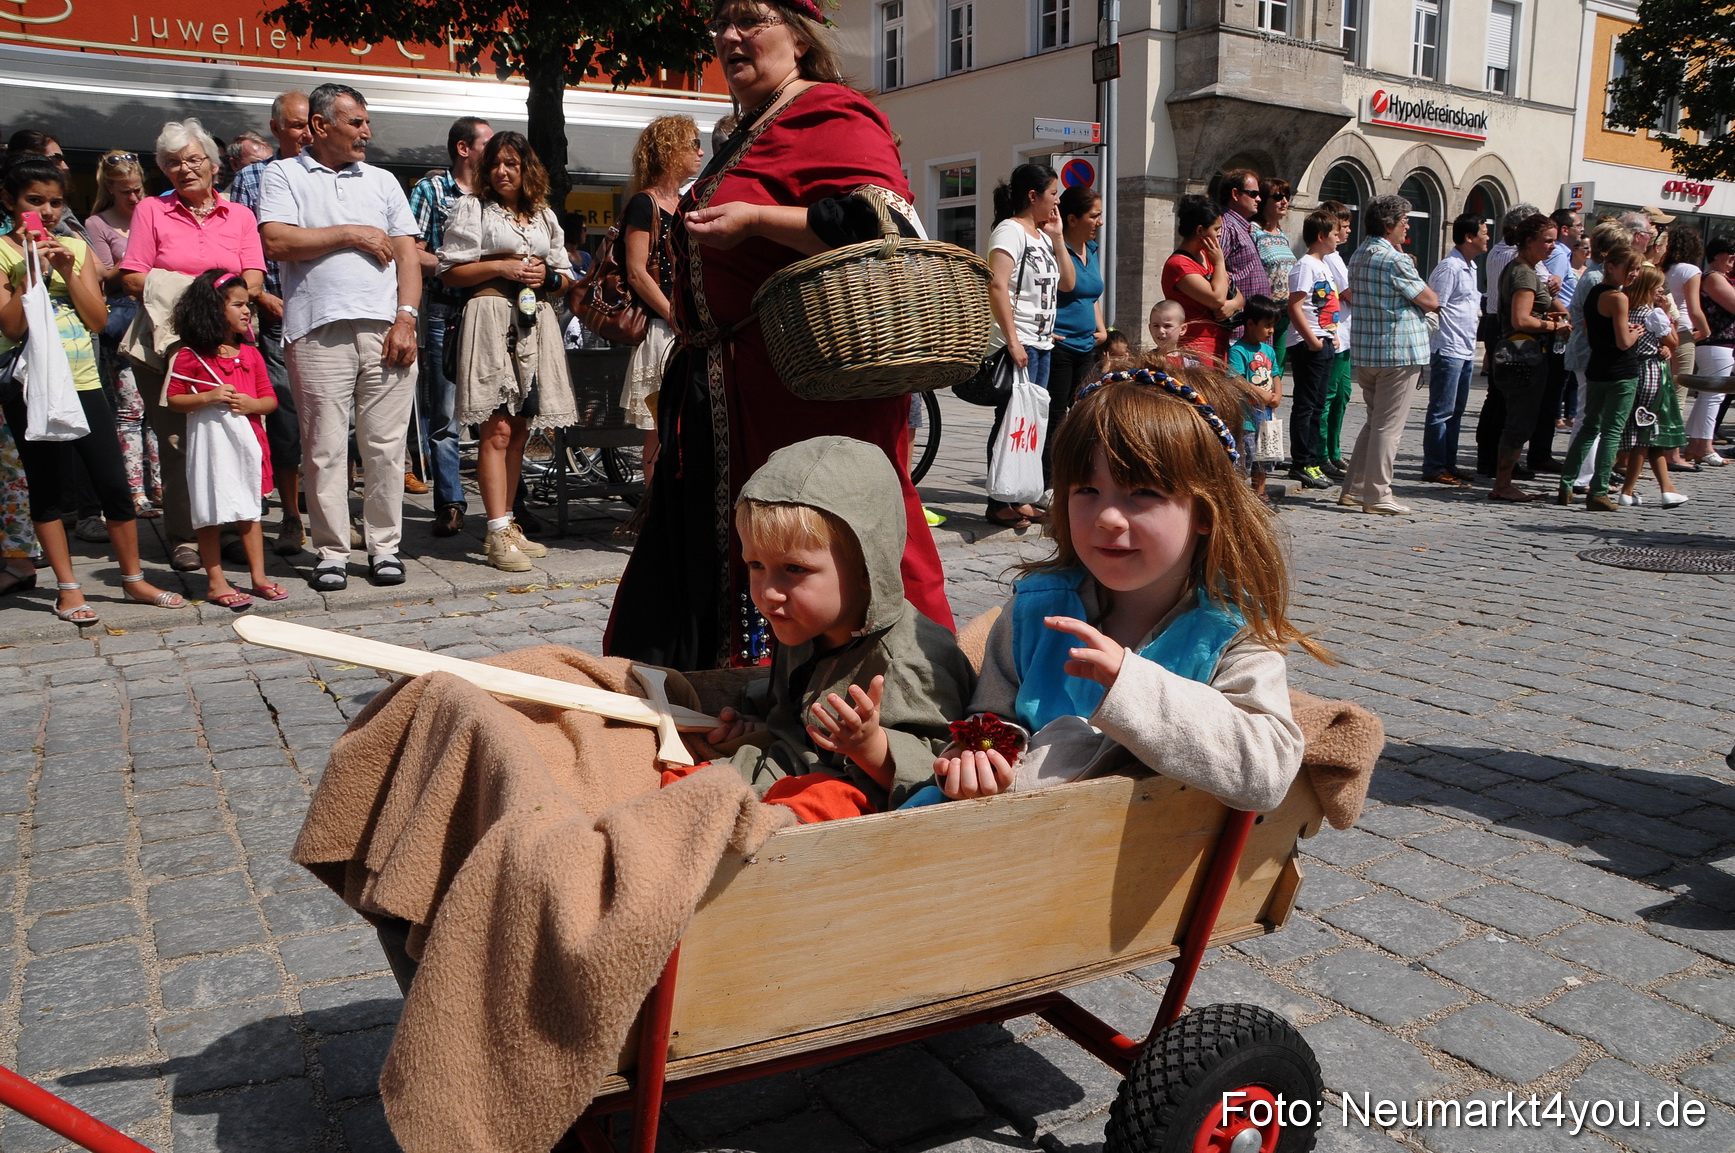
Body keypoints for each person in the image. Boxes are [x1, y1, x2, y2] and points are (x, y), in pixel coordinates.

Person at [605, 0, 957, 671]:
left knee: (838, 538)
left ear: (798, 37)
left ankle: (908, 690)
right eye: (721, 23)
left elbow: (888, 225)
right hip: (733, 386)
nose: (729, 36)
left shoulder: (830, 110)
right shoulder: (748, 128)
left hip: (807, 390)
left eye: (750, 20)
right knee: (750, 558)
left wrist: (761, 220)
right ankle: (743, 690)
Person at [931, 367, 1314, 808]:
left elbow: (1268, 770)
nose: (1107, 517)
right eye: (1087, 489)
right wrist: (976, 757)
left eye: (1143, 493)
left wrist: (1130, 685)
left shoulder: (1231, 634)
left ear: (1206, 512)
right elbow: (993, 716)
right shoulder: (1034, 612)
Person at [692, 436, 975, 823]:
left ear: (865, 570)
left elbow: (939, 769)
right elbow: (793, 703)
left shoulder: (909, 662)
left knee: (788, 809)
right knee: (685, 783)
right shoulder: (806, 620)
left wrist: (870, 745)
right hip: (787, 764)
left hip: (854, 803)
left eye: (795, 569)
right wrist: (757, 723)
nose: (769, 592)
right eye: (756, 565)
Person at [0, 158, 184, 624]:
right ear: (9, 202)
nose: (46, 212)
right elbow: (10, 325)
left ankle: (133, 578)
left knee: (113, 484)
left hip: (82, 379)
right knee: (46, 487)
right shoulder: (2, 252)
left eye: (56, 202)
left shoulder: (76, 247)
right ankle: (67, 587)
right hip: (29, 386)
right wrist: (29, 273)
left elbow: (97, 320)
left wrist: (64, 267)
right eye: (34, 201)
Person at [257, 82, 422, 592]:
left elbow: (408, 255)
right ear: (321, 125)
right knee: (324, 448)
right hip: (316, 331)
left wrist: (407, 318)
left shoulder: (383, 181)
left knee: (385, 448)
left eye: (367, 122)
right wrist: (351, 232)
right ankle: (330, 551)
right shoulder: (282, 173)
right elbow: (277, 240)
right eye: (356, 123)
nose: (366, 133)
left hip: (387, 330)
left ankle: (384, 548)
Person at [118, 118, 267, 572]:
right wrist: (198, 295)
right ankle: (185, 536)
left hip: (224, 350)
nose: (185, 169)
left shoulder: (239, 216)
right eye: (173, 163)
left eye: (194, 159)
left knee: (231, 438)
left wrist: (225, 300)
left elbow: (255, 278)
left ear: (213, 164)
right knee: (180, 442)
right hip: (167, 348)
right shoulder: (150, 212)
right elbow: (132, 275)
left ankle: (227, 530)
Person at [437, 131, 578, 573]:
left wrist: (547, 279)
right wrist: (500, 266)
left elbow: (567, 277)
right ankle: (496, 531)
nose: (502, 171)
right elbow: (449, 272)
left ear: (526, 169)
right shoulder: (473, 209)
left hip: (534, 324)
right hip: (491, 315)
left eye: (512, 164)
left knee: (519, 428)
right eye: (496, 163)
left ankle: (509, 522)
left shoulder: (544, 216)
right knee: (495, 430)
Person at [164, 270, 286, 606]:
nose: (247, 311)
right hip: (210, 448)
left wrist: (251, 404)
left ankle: (258, 576)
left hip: (246, 443)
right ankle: (216, 582)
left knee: (250, 510)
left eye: (248, 305)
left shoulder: (250, 353)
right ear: (214, 308)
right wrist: (207, 397)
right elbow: (174, 399)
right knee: (210, 510)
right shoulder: (191, 356)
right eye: (238, 304)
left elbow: (270, 399)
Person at [230, 91, 314, 556]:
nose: (305, 133)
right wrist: (261, 296)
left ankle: (331, 510)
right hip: (276, 313)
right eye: (297, 125)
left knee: (333, 420)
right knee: (284, 415)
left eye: (310, 124)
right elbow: (247, 247)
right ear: (276, 127)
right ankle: (291, 517)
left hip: (324, 311)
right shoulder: (252, 178)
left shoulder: (331, 173)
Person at [408, 115, 493, 536]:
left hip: (492, 312)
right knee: (444, 415)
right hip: (446, 311)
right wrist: (453, 267)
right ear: (463, 148)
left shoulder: (498, 190)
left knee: (501, 412)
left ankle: (508, 506)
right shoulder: (430, 189)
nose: (496, 154)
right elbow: (411, 251)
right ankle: (451, 503)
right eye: (487, 144)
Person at [983, 161, 1075, 528]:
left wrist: (1057, 237)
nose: (1057, 201)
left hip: (1041, 344)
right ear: (1033, 195)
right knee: (1008, 420)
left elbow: (1067, 283)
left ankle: (1018, 496)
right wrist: (1014, 339)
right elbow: (997, 285)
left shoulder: (1041, 235)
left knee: (1030, 423)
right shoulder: (1010, 231)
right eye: (1053, 193)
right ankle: (998, 501)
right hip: (1015, 345)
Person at [1342, 194, 1439, 516]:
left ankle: (1355, 489)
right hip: (1398, 352)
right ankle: (1378, 494)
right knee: (1388, 427)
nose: (1407, 226)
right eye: (1404, 222)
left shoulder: (1358, 253)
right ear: (1389, 225)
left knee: (1374, 423)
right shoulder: (1394, 259)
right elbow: (1430, 299)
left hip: (1369, 351)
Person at [619, 114, 702, 486]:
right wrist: (673, 314)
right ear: (671, 150)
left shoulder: (685, 203)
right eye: (692, 144)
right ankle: (654, 515)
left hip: (682, 329)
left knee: (684, 431)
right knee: (659, 431)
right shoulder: (644, 203)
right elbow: (636, 272)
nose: (700, 152)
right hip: (662, 330)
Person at [82, 149, 161, 517]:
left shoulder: (152, 213)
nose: (135, 197)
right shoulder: (98, 224)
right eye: (126, 191)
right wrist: (135, 262)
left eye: (138, 189)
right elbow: (105, 276)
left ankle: (161, 486)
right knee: (131, 410)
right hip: (127, 324)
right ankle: (135, 491)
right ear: (110, 189)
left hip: (160, 319)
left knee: (160, 408)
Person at [1488, 213, 1569, 503]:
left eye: (1555, 241)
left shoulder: (1529, 269)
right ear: (1528, 241)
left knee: (1521, 420)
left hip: (1528, 354)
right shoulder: (1522, 272)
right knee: (1519, 422)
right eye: (1547, 241)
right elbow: (1521, 319)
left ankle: (1504, 482)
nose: (1552, 247)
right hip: (1523, 356)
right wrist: (1554, 326)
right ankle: (1503, 484)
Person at [1559, 244, 1644, 511]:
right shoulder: (1618, 297)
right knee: (1611, 433)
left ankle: (1566, 483)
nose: (1634, 274)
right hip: (1619, 372)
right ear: (1611, 267)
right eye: (1630, 269)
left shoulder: (1594, 292)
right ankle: (1598, 491)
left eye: (1637, 269)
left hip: (1597, 368)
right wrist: (1636, 332)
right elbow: (1622, 342)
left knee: (1588, 428)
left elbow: (1594, 327)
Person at [1474, 203, 1543, 477]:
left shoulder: (1503, 253)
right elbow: (1539, 285)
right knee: (1503, 396)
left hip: (1498, 323)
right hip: (1503, 327)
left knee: (1500, 396)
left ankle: (1494, 458)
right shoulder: (1510, 256)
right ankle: (1494, 460)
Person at [1611, 266, 1687, 508]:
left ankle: (1665, 488)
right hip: (1652, 372)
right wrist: (1666, 314)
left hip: (1635, 370)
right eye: (1658, 288)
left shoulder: (1628, 310)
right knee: (1645, 431)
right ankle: (1629, 489)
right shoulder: (1652, 313)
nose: (1661, 292)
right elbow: (1673, 340)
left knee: (1647, 431)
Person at [1422, 214, 1489, 486]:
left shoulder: (1470, 267)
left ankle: (1448, 463)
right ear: (1469, 236)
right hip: (1448, 347)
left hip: (1464, 348)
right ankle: (1434, 466)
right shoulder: (1449, 267)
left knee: (1456, 410)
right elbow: (1434, 303)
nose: (1487, 237)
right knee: (1441, 410)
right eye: (1484, 231)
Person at [1049, 184, 1106, 496]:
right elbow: (1063, 288)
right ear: (1072, 219)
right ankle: (1051, 482)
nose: (1099, 221)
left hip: (1087, 346)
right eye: (1094, 215)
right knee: (1057, 418)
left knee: (1084, 416)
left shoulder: (1092, 250)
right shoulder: (1056, 249)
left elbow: (1091, 295)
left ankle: (1079, 479)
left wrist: (1102, 329)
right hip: (1060, 346)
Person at [1284, 208, 1343, 492]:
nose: (1338, 238)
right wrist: (1312, 340)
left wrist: (1333, 335)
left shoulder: (1324, 265)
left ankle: (1313, 460)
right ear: (1321, 236)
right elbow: (1294, 305)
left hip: (1326, 340)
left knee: (1318, 405)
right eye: (1334, 233)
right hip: (1311, 344)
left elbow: (1327, 304)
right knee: (1307, 405)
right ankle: (1302, 461)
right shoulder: (1305, 265)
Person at [1161, 194, 1241, 365]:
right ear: (1200, 231)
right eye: (1216, 229)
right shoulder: (1178, 265)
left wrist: (1232, 305)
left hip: (1218, 344)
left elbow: (1237, 294)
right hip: (1194, 349)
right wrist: (1219, 263)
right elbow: (1217, 298)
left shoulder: (1206, 256)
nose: (1220, 234)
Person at [1666, 227, 1721, 467]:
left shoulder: (1663, 268)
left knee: (1665, 390)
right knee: (1679, 392)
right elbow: (1694, 308)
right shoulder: (1690, 270)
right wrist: (1707, 331)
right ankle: (1672, 451)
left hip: (1666, 331)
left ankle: (1662, 447)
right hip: (1683, 330)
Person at [1228, 295, 1282, 499]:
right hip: (1247, 417)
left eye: (1273, 326)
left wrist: (1277, 394)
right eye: (1267, 325)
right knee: (1245, 457)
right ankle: (1241, 497)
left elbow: (1275, 373)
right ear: (1250, 324)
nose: (1271, 331)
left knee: (1264, 457)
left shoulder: (1268, 350)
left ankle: (1259, 494)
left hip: (1266, 416)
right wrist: (1262, 394)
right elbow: (1236, 379)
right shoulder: (1238, 351)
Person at [1316, 201, 1355, 478]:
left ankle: (1335, 450)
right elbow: (1348, 293)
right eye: (1343, 226)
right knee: (1328, 397)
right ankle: (1322, 453)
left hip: (1346, 335)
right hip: (1334, 334)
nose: (1348, 231)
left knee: (1342, 395)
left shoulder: (1337, 257)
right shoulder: (1329, 258)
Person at [1688, 236, 1735, 458]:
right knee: (1713, 395)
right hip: (1717, 343)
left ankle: (1696, 443)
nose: (1734, 257)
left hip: (1722, 345)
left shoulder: (1723, 277)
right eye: (1730, 251)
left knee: (1710, 395)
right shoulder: (1714, 277)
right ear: (1717, 254)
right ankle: (1704, 445)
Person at [1253, 177, 1296, 371]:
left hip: (1285, 315)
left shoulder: (1282, 235)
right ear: (1263, 200)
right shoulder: (1253, 232)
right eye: (1278, 196)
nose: (1284, 201)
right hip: (1264, 313)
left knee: (1276, 369)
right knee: (1260, 368)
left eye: (1287, 196)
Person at [1146, 300, 1186, 369]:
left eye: (1167, 326)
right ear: (1150, 328)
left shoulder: (1191, 361)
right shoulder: (1148, 360)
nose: (1161, 331)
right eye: (1156, 326)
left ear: (1182, 329)